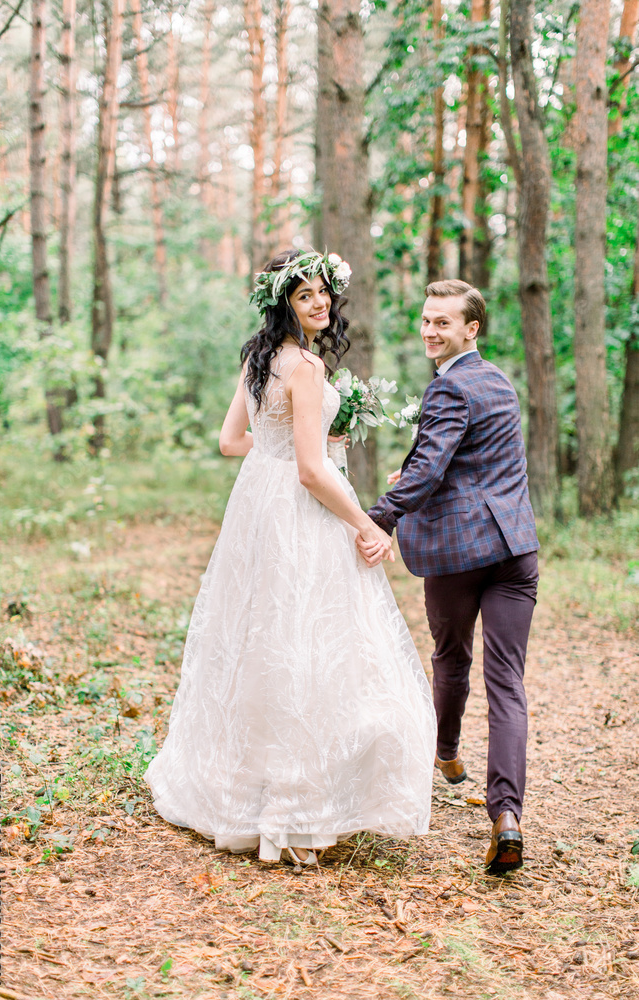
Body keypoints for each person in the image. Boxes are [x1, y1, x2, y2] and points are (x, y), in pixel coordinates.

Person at [145, 248, 436, 867]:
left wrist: (288, 442)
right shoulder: (303, 366)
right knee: (307, 638)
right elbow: (311, 471)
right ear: (284, 302)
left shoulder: (257, 357)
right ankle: (297, 804)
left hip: (256, 505)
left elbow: (232, 442)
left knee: (262, 636)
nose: (320, 303)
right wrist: (366, 523)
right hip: (301, 514)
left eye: (324, 292)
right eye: (305, 295)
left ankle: (247, 787)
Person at [358, 279, 539, 875]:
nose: (431, 331)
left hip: (462, 553)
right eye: (427, 320)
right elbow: (474, 462)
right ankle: (505, 814)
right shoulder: (498, 381)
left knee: (451, 657)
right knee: (507, 682)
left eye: (444, 322)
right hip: (515, 548)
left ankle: (446, 752)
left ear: (472, 329)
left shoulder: (448, 388)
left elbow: (433, 467)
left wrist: (380, 516)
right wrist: (410, 470)